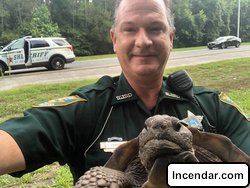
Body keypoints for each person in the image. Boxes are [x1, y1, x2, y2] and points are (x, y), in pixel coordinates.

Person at [0, 0, 250, 185]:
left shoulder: (212, 106)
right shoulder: (88, 108)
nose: (143, 41)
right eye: (130, 29)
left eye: (155, 28)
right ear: (114, 39)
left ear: (171, 37)